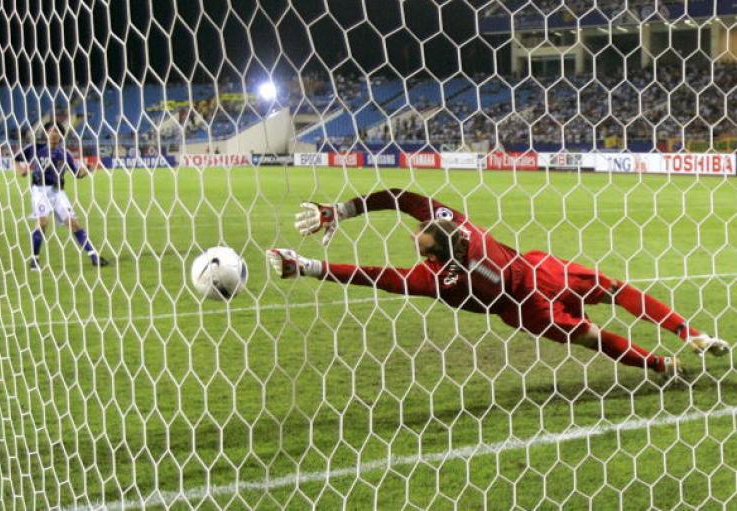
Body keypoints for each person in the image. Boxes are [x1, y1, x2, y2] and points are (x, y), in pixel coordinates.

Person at [267, 188, 729, 376]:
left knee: (591, 335)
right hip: (539, 272)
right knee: (616, 292)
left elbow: (377, 278)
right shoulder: (458, 226)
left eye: (419, 240)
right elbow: (403, 198)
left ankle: (663, 364)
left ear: (434, 255)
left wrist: (309, 264)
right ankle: (686, 341)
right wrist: (343, 211)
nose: (414, 234)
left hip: (527, 308)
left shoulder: (440, 281)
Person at [15, 122, 110, 269]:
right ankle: (34, 259)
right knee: (42, 222)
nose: (54, 134)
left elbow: (77, 174)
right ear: (46, 133)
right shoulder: (36, 149)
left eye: (57, 132)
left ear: (61, 136)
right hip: (39, 190)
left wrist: (90, 168)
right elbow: (17, 158)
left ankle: (94, 257)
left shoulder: (65, 154)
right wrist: (21, 170)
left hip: (58, 191)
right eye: (52, 131)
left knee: (73, 223)